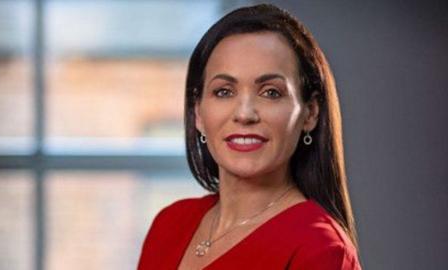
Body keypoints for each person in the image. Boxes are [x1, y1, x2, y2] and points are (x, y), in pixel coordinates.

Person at [137, 4, 362, 270]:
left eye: (270, 92)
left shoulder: (322, 249)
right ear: (198, 111)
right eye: (224, 91)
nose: (244, 114)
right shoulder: (170, 224)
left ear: (309, 114)